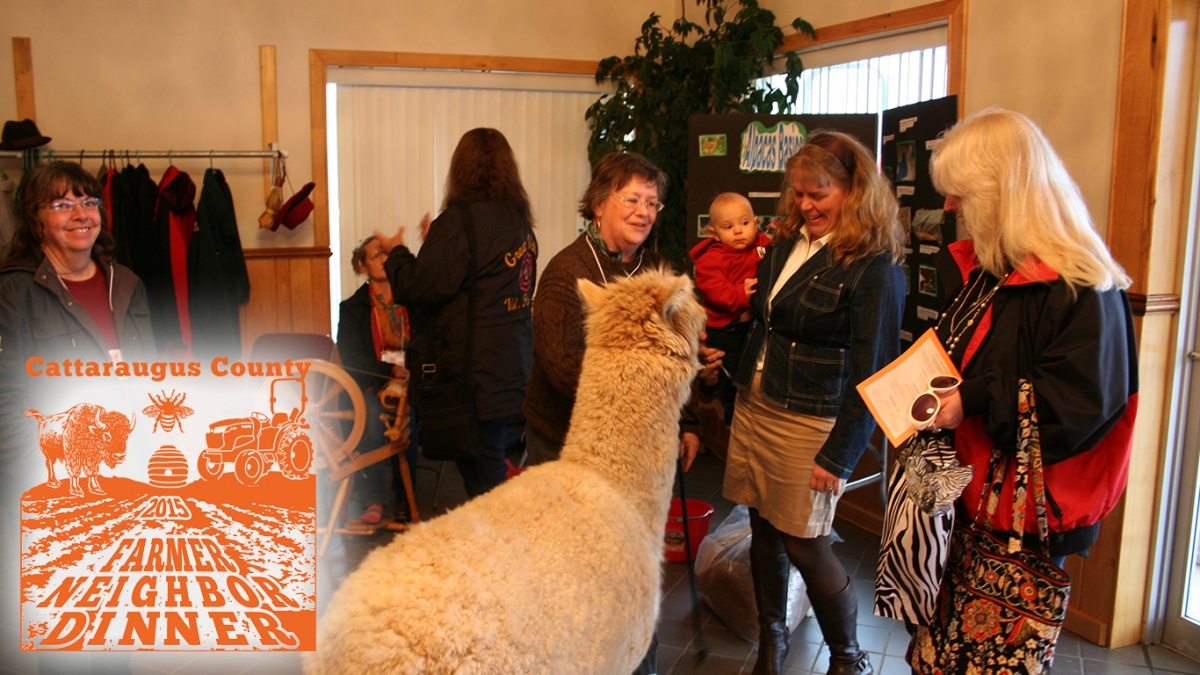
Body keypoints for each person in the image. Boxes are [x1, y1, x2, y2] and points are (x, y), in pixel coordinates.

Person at [723, 131, 906, 675]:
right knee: (762, 529)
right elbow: (769, 320)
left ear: (855, 191)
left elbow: (876, 370)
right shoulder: (786, 241)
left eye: (818, 194)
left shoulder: (875, 265)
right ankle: (772, 637)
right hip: (756, 403)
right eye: (798, 193)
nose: (805, 205)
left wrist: (841, 455)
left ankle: (849, 660)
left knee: (806, 544)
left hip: (810, 422)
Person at [925, 108, 1137, 572]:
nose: (950, 208)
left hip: (1028, 516)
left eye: (961, 194)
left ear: (1002, 194)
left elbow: (1071, 409)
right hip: (969, 496)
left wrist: (972, 398)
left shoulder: (1080, 285)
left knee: (997, 642)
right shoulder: (990, 271)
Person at [0, 160, 156, 675]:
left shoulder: (127, 282)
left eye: (88, 201)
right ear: (35, 217)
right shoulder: (16, 291)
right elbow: (7, 395)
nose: (79, 214)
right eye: (61, 204)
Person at [380, 128, 536, 499]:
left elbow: (418, 288)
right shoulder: (519, 225)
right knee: (489, 466)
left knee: (481, 484)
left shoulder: (459, 222)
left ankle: (493, 554)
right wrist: (436, 242)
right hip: (508, 368)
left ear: (460, 170)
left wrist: (398, 252)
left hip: (468, 379)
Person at [337, 235, 419, 524]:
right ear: (362, 266)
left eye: (386, 253)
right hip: (369, 382)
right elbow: (352, 360)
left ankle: (405, 497)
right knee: (371, 414)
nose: (383, 260)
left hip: (410, 379)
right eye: (375, 256)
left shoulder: (413, 299)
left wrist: (409, 371)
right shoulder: (352, 307)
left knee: (408, 413)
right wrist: (389, 372)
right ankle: (373, 499)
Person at [689, 192, 770, 426]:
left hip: (754, 328)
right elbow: (716, 291)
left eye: (744, 223)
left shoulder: (761, 247)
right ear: (715, 233)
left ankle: (752, 419)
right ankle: (731, 417)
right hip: (726, 331)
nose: (738, 231)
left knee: (755, 378)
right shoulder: (711, 259)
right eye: (729, 226)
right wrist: (740, 294)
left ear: (755, 224)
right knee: (730, 377)